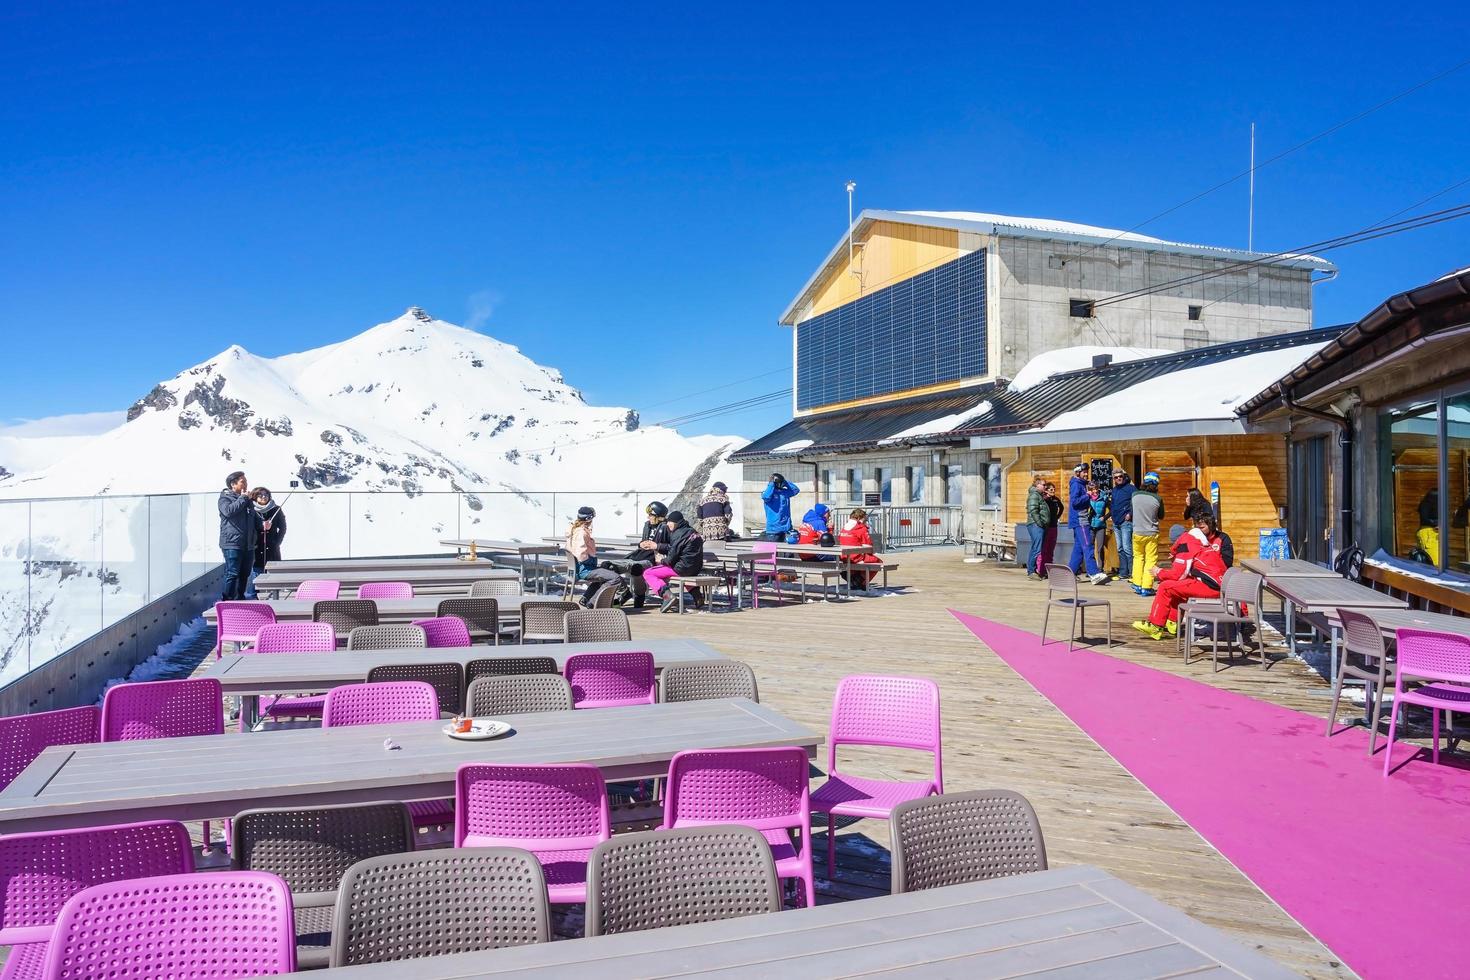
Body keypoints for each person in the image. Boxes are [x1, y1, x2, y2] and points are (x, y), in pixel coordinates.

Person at [1132, 512, 1227, 640]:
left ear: (1175, 540)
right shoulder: (1199, 542)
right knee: (1179, 587)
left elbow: (1178, 574)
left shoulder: (1185, 544)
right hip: (1218, 584)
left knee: (1165, 587)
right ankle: (1173, 622)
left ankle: (1155, 626)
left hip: (1211, 586)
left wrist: (1159, 572)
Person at [642, 511, 705, 612]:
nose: (667, 524)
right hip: (695, 568)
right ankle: (698, 597)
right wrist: (658, 546)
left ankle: (667, 597)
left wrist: (661, 561)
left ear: (676, 522)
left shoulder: (678, 534)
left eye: (669, 522)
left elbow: (670, 560)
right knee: (684, 576)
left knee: (648, 573)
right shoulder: (692, 531)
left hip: (682, 568)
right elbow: (675, 548)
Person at [565, 506, 623, 607]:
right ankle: (593, 602)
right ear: (588, 519)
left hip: (579, 569)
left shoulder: (574, 530)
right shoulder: (581, 533)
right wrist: (590, 561)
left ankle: (586, 598)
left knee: (604, 573)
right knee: (615, 578)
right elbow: (580, 554)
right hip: (584, 570)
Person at [622, 501, 672, 609]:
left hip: (656, 558)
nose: (648, 517)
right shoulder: (647, 525)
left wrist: (657, 546)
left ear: (658, 517)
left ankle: (639, 596)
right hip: (643, 555)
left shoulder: (666, 527)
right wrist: (641, 544)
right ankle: (627, 593)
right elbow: (643, 541)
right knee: (625, 566)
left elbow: (672, 547)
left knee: (636, 568)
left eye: (651, 515)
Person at [218, 471, 257, 602]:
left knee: (245, 573)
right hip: (232, 543)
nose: (246, 484)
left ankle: (240, 598)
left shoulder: (246, 500)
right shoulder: (224, 498)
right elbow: (229, 511)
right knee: (232, 573)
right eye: (243, 482)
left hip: (248, 543)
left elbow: (252, 518)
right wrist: (243, 498)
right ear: (233, 484)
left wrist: (263, 524)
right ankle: (227, 601)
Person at [1066, 464, 1106, 584]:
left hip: (1081, 519)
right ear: (1078, 473)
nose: (1086, 474)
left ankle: (1069, 574)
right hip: (1080, 520)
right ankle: (1093, 573)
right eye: (1083, 472)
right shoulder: (1076, 484)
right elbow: (1075, 502)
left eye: (1087, 472)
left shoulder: (1083, 484)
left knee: (1078, 548)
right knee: (1088, 546)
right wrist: (1087, 496)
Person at [246, 487, 286, 599]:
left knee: (274, 571)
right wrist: (260, 527)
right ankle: (254, 597)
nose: (264, 497)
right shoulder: (251, 510)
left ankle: (275, 597)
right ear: (255, 496)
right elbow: (248, 527)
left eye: (266, 495)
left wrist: (277, 542)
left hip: (272, 547)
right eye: (260, 495)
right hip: (256, 547)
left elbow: (283, 527)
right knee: (256, 572)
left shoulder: (276, 509)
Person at [1130, 472, 1164, 596]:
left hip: (1137, 532)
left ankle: (1137, 583)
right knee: (1150, 559)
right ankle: (1146, 587)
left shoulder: (1134, 495)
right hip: (1151, 533)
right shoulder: (1157, 498)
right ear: (1156, 484)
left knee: (1138, 557)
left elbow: (1131, 511)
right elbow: (1161, 516)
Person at [838, 508, 884, 589]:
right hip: (856, 557)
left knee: (860, 562)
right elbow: (868, 546)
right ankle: (861, 582)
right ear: (860, 518)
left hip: (844, 557)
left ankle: (853, 578)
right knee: (878, 562)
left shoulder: (843, 528)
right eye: (865, 520)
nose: (866, 522)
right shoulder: (861, 528)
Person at [1110, 470, 1135, 582]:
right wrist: (1111, 516)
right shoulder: (1114, 490)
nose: (1118, 479)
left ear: (1124, 477)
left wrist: (1130, 513)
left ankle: (1132, 573)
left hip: (1126, 522)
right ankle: (1123, 573)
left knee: (1127, 548)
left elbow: (1135, 502)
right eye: (1116, 477)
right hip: (1116, 522)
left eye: (1120, 476)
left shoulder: (1131, 488)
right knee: (1120, 548)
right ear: (1113, 479)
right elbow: (1113, 504)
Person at [760, 473, 800, 542]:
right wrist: (771, 484)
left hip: (786, 528)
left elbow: (796, 490)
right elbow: (766, 497)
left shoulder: (784, 492)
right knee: (773, 551)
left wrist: (785, 482)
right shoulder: (768, 493)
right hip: (773, 531)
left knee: (787, 552)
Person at [1024, 475, 1048, 579]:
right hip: (1035, 525)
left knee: (1036, 547)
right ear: (1037, 485)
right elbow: (1033, 510)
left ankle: (1032, 570)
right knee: (1037, 548)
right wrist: (1040, 523)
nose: (1045, 487)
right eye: (1043, 485)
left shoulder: (1038, 495)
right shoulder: (1034, 495)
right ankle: (1031, 571)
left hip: (1036, 524)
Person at [1038, 482, 1064, 577]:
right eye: (1051, 490)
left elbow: (1062, 507)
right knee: (1043, 550)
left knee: (1050, 550)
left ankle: (1049, 570)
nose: (1053, 491)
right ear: (1046, 490)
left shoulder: (1055, 500)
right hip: (1046, 527)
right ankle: (1040, 570)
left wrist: (1057, 517)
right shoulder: (1044, 500)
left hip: (1054, 526)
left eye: (1054, 489)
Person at [1089, 482, 1110, 573]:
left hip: (1100, 525)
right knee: (1090, 548)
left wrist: (1105, 517)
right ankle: (1091, 568)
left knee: (1100, 548)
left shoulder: (1104, 497)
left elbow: (1112, 509)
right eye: (1092, 489)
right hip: (1090, 525)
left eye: (1096, 489)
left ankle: (1100, 568)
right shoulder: (1087, 497)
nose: (1094, 491)